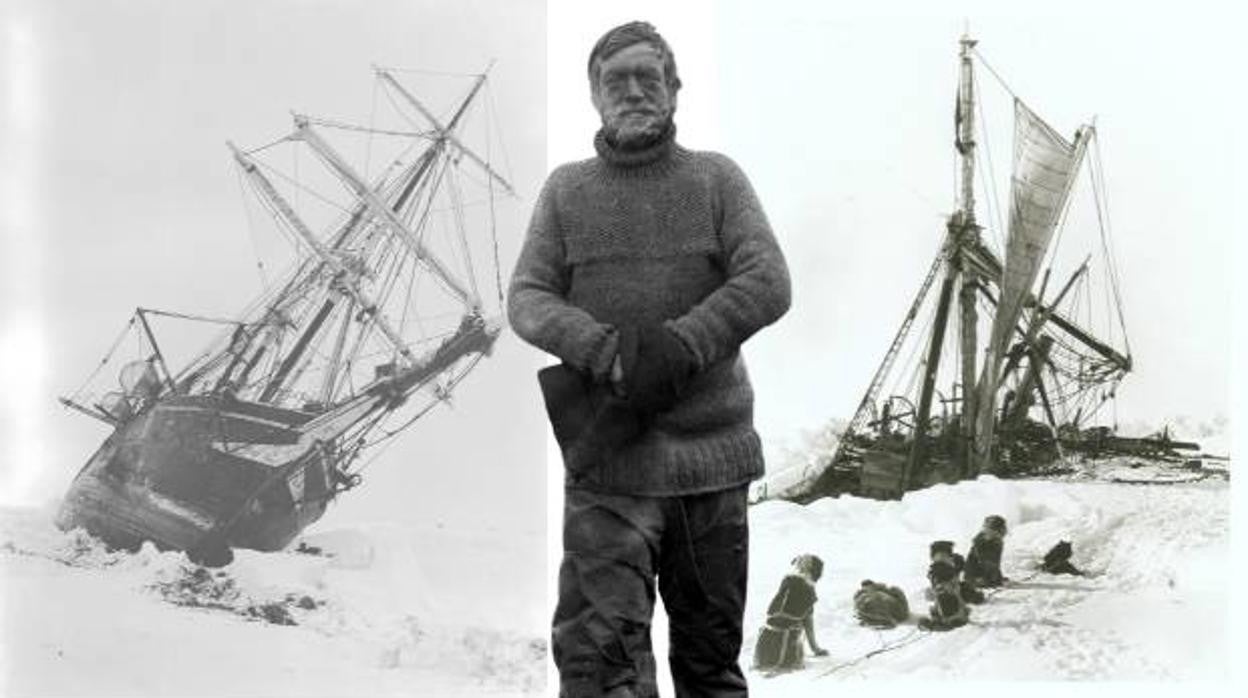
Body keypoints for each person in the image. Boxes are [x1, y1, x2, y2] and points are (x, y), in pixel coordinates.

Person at [508, 20, 791, 698]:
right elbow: (528, 296)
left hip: (711, 463)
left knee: (708, 667)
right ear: (595, 95)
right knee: (600, 667)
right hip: (611, 463)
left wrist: (682, 345)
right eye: (616, 80)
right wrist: (605, 351)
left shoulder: (717, 179)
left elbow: (768, 280)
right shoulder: (566, 190)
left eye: (648, 77)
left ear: (673, 90)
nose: (633, 91)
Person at [753, 554, 829, 672]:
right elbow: (808, 624)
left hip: (763, 650)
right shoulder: (808, 589)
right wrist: (815, 649)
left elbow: (775, 610)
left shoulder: (787, 581)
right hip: (785, 650)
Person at [919, 540, 969, 631]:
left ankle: (950, 617)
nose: (943, 558)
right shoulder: (939, 570)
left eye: (945, 555)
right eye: (940, 556)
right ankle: (951, 616)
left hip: (951, 610)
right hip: (949, 610)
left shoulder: (946, 568)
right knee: (942, 593)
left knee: (945, 593)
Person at [964, 515, 1008, 588]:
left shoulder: (997, 542)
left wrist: (998, 577)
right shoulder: (980, 543)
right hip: (976, 576)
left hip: (989, 576)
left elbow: (995, 562)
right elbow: (983, 563)